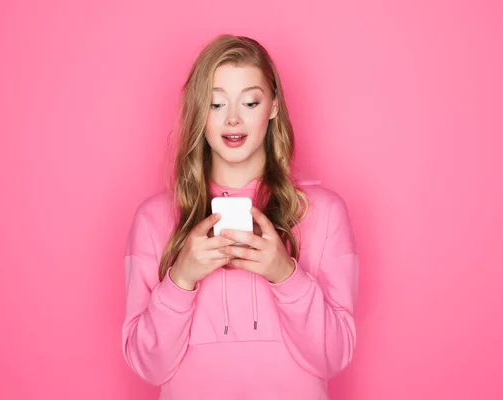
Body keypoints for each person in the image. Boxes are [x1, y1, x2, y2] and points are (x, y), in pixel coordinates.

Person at [121, 34, 359, 400]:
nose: (233, 118)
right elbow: (148, 367)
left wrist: (285, 274)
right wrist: (181, 278)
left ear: (274, 106)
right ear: (199, 110)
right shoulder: (154, 220)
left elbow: (334, 356)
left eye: (250, 101)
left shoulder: (323, 212)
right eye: (216, 104)